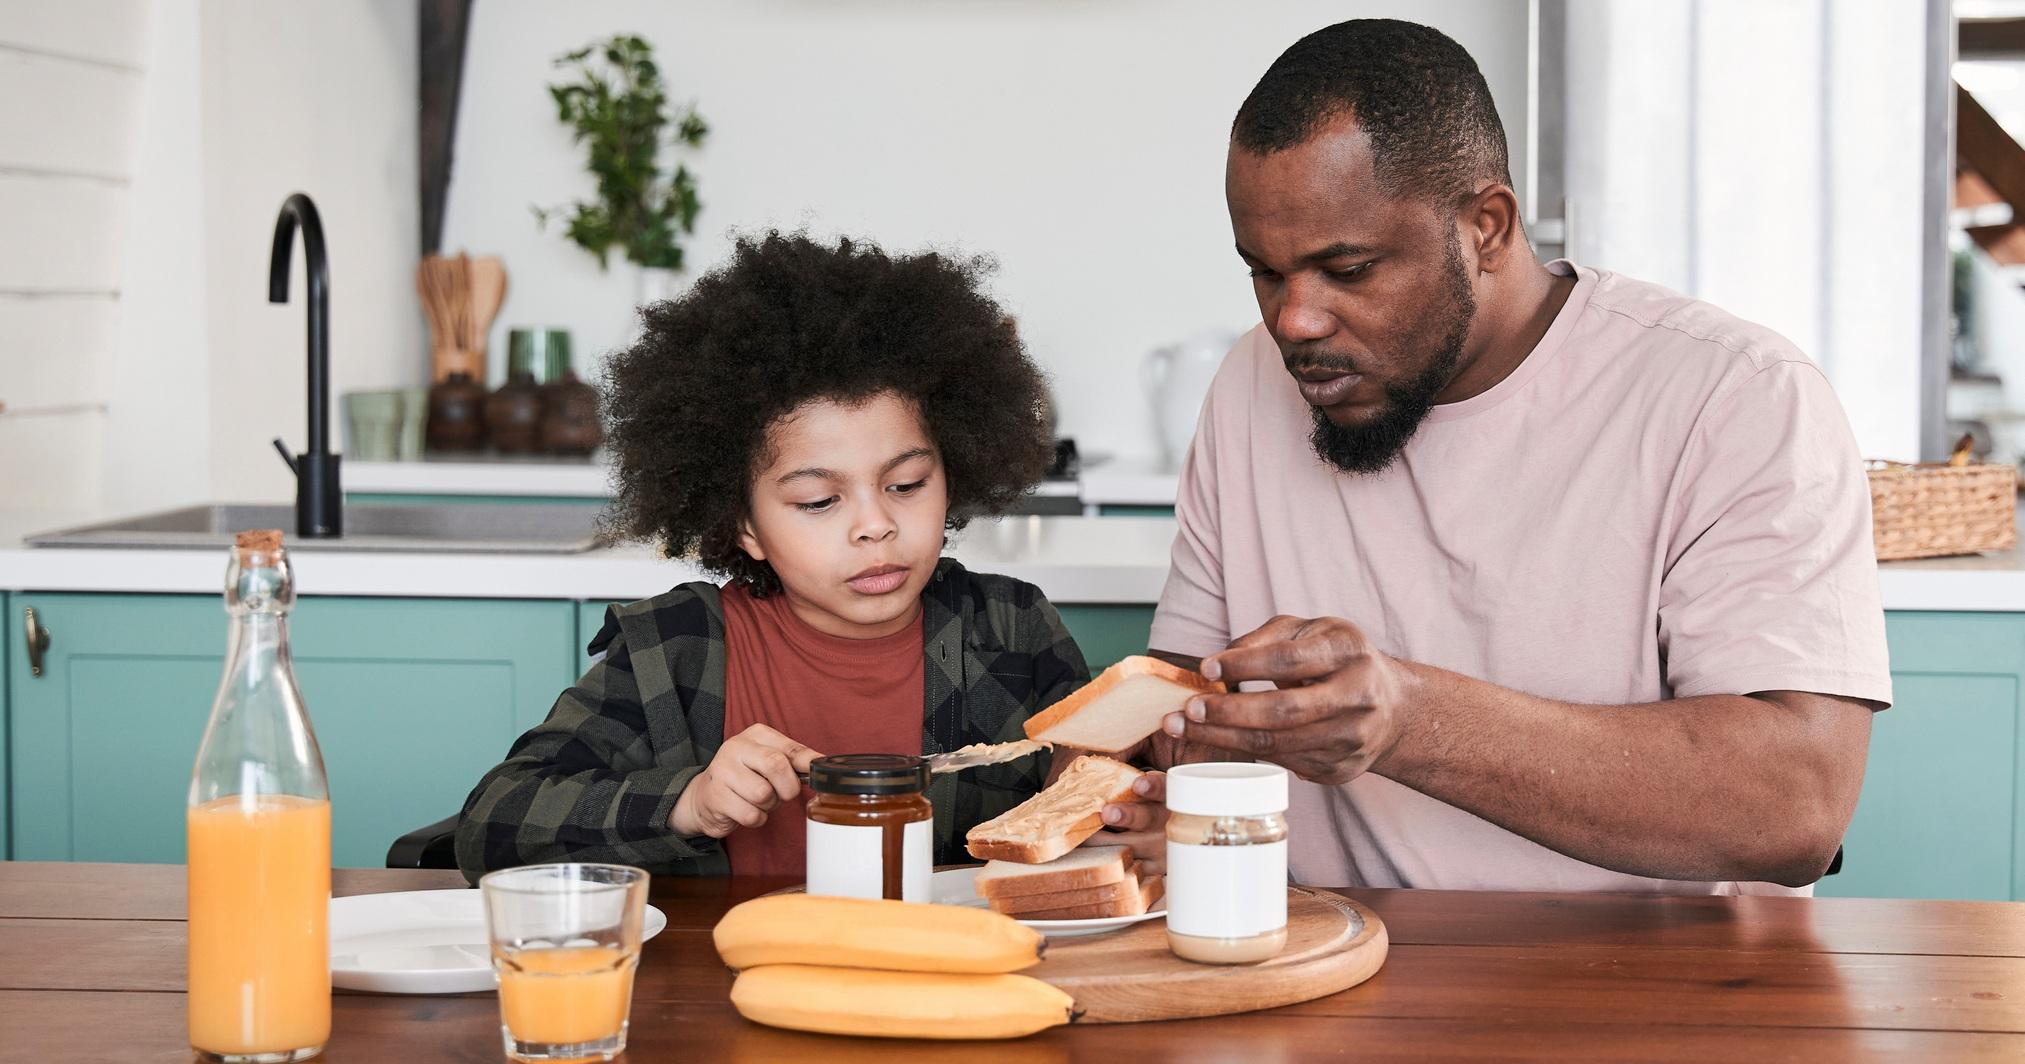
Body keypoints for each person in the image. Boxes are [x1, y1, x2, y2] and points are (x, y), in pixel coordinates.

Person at [1105, 19, 1892, 894]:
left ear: (1486, 226)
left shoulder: (1733, 395)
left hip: (1661, 995)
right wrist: (1130, 783)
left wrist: (1406, 718)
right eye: (1264, 271)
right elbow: (1175, 702)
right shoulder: (1249, 384)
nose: (1295, 321)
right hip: (1327, 971)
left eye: (1349, 269)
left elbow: (1794, 809)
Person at [455, 232, 1089, 881]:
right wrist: (686, 802)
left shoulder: (1012, 629)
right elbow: (491, 827)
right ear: (744, 527)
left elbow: (1103, 802)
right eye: (818, 500)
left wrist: (1126, 805)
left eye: (905, 485)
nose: (875, 525)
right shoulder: (673, 651)